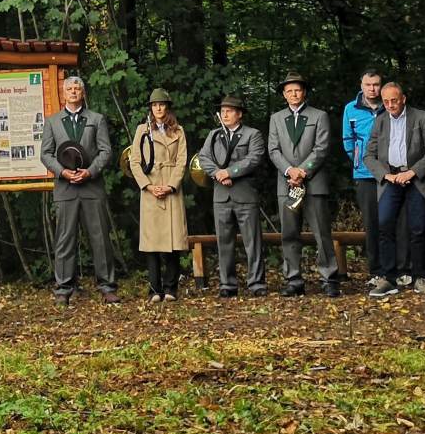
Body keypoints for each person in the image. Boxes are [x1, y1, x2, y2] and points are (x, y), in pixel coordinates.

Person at [39, 74, 119, 304]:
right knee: (65, 238)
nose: (73, 92)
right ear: (63, 94)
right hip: (65, 188)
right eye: (69, 89)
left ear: (83, 93)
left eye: (77, 88)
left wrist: (90, 171)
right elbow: (45, 154)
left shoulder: (97, 119)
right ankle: (64, 287)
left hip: (92, 187)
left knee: (100, 237)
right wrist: (62, 172)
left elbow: (105, 151)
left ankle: (107, 286)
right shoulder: (52, 122)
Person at [363, 83, 425, 297]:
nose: (390, 105)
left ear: (403, 98)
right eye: (386, 101)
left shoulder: (421, 118)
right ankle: (389, 278)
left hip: (416, 178)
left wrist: (412, 172)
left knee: (417, 229)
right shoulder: (380, 122)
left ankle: (419, 276)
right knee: (385, 225)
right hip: (391, 179)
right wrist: (385, 175)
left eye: (394, 100)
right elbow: (368, 155)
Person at [267, 73, 341, 297]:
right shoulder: (276, 118)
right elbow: (273, 150)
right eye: (289, 91)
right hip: (286, 183)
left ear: (304, 92)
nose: (293, 94)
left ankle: (329, 278)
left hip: (314, 182)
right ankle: (293, 279)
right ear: (283, 94)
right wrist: (290, 171)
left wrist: (303, 170)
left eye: (297, 90)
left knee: (321, 232)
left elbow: (321, 147)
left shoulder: (319, 116)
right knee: (289, 233)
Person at [200, 95, 268, 297]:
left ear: (239, 114)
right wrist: (218, 174)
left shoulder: (252, 134)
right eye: (223, 111)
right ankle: (227, 284)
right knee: (224, 241)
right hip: (221, 196)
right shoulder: (213, 135)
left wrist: (230, 172)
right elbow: (204, 157)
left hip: (245, 195)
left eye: (229, 111)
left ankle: (256, 283)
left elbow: (254, 158)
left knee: (252, 242)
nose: (225, 114)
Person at [127, 88, 189, 300]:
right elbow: (134, 161)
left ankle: (171, 287)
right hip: (151, 189)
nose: (158, 108)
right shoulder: (142, 130)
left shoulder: (178, 131)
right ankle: (155, 288)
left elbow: (182, 161)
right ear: (150, 108)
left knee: (173, 240)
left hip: (171, 188)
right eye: (154, 105)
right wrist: (148, 185)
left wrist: (171, 186)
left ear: (168, 107)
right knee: (151, 241)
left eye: (162, 105)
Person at [342, 68, 400, 289]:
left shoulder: (390, 106)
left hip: (391, 174)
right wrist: (360, 161)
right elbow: (348, 141)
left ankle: (397, 269)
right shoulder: (350, 109)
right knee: (372, 224)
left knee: (392, 222)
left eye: (376, 84)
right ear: (361, 85)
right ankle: (376, 271)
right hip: (365, 174)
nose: (372, 88)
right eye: (368, 84)